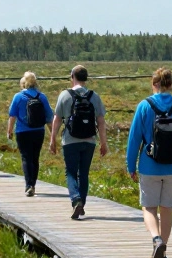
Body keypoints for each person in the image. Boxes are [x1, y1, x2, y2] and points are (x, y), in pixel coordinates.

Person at [126, 67, 172, 258]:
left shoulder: (144, 106)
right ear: (171, 84)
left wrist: (130, 165)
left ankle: (156, 239)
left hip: (149, 166)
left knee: (149, 207)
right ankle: (163, 249)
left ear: (154, 84)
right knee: (167, 208)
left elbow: (134, 139)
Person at [50, 65, 108, 219]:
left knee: (70, 172)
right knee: (84, 173)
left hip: (70, 140)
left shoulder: (64, 95)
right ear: (86, 78)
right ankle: (81, 201)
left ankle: (76, 200)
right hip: (89, 140)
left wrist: (52, 139)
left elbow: (57, 120)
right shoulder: (94, 96)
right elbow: (101, 121)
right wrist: (104, 142)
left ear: (72, 77)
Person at [6, 72, 52, 196]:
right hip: (38, 131)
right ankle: (33, 184)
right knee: (35, 157)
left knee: (26, 157)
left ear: (23, 83)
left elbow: (12, 115)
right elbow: (49, 116)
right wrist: (52, 133)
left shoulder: (18, 97)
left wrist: (9, 130)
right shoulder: (42, 97)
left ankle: (28, 185)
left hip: (22, 131)